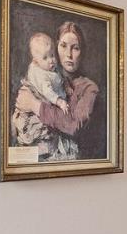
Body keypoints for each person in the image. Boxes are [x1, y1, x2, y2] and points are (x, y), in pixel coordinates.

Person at [15, 20, 101, 160]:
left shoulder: (89, 88)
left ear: (82, 51)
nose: (68, 54)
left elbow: (73, 125)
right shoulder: (43, 75)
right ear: (56, 47)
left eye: (75, 48)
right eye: (63, 46)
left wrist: (34, 105)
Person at [10, 33, 78, 162]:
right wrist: (59, 101)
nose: (51, 60)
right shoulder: (40, 74)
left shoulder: (49, 67)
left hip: (44, 105)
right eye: (45, 58)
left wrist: (66, 86)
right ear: (36, 61)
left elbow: (58, 78)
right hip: (40, 103)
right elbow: (48, 92)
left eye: (52, 55)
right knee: (38, 131)